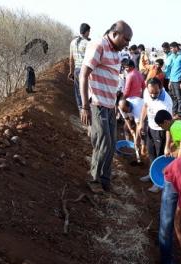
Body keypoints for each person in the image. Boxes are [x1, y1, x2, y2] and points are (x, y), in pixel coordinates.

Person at [80, 21, 133, 193]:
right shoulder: (98, 46)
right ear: (115, 34)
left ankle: (105, 180)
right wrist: (85, 106)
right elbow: (84, 74)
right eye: (126, 39)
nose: (127, 43)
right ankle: (93, 179)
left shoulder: (117, 52)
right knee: (103, 143)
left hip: (110, 106)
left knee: (112, 145)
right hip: (97, 104)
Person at [137, 77, 173, 193]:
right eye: (150, 92)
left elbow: (169, 126)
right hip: (150, 127)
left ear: (161, 88)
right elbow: (145, 106)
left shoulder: (166, 102)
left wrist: (167, 145)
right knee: (151, 153)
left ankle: (158, 182)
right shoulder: (147, 92)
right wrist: (141, 122)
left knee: (159, 156)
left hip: (161, 131)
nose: (152, 95)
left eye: (156, 93)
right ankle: (151, 174)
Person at [68, 23, 91, 112]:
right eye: (89, 31)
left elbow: (71, 59)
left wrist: (71, 71)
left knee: (78, 92)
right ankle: (88, 112)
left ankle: (81, 111)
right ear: (87, 32)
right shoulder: (88, 43)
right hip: (86, 71)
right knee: (87, 91)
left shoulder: (73, 42)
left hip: (77, 71)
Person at [168, 42, 181, 116]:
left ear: (176, 48)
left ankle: (180, 112)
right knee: (174, 97)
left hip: (178, 80)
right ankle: (174, 111)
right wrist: (170, 81)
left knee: (179, 97)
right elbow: (172, 69)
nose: (171, 50)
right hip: (172, 80)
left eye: (172, 48)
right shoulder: (172, 56)